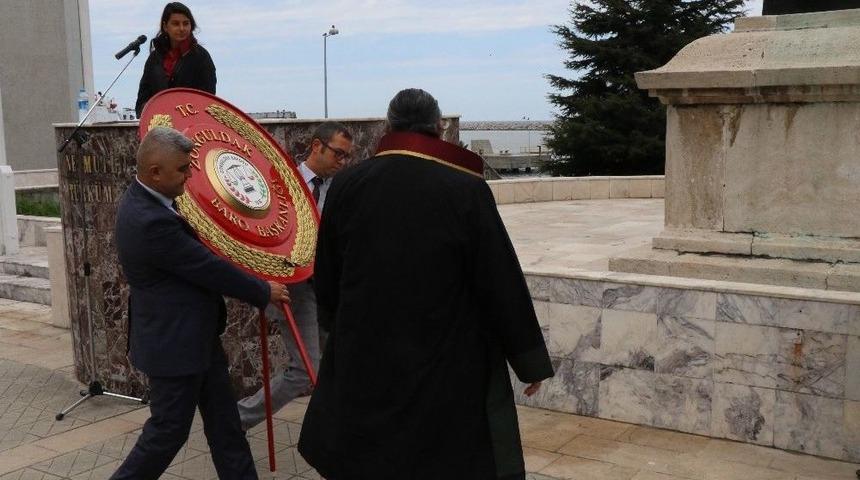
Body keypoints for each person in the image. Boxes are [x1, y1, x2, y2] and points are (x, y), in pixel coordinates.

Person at [297, 89, 554, 480]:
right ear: (437, 129)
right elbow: (498, 278)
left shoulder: (348, 185)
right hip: (442, 358)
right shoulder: (465, 188)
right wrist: (527, 359)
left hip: (365, 351)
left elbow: (328, 271)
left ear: (389, 125)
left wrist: (338, 328)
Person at [110, 127, 290, 480]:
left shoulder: (148, 199)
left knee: (226, 426)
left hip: (196, 341)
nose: (189, 176)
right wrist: (263, 290)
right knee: (167, 433)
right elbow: (206, 267)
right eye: (182, 169)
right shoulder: (151, 221)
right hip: (174, 347)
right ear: (155, 172)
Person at [236, 121, 353, 431]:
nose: (342, 163)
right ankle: (236, 420)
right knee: (304, 370)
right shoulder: (281, 182)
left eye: (346, 157)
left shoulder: (341, 190)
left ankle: (338, 427)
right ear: (317, 146)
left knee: (339, 364)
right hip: (292, 289)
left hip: (328, 290)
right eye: (338, 155)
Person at [135, 2, 216, 117]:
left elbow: (208, 100)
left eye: (186, 23)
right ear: (165, 26)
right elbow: (142, 100)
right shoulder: (154, 59)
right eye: (176, 24)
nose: (182, 28)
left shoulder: (201, 57)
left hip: (190, 125)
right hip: (158, 127)